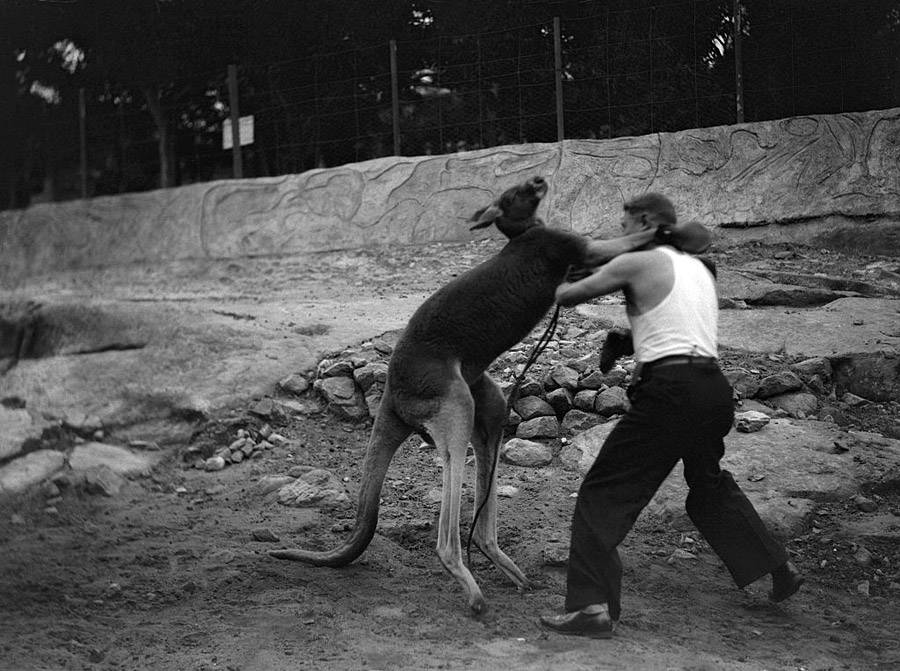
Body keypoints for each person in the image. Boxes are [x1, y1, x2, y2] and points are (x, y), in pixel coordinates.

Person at [540, 193, 804, 639]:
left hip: (670, 393)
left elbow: (566, 296)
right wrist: (628, 340)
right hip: (712, 390)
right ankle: (778, 566)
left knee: (602, 494)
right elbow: (675, 320)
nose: (620, 231)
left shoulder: (638, 262)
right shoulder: (700, 268)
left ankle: (590, 607)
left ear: (642, 222)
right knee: (708, 486)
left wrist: (570, 266)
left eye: (624, 224)